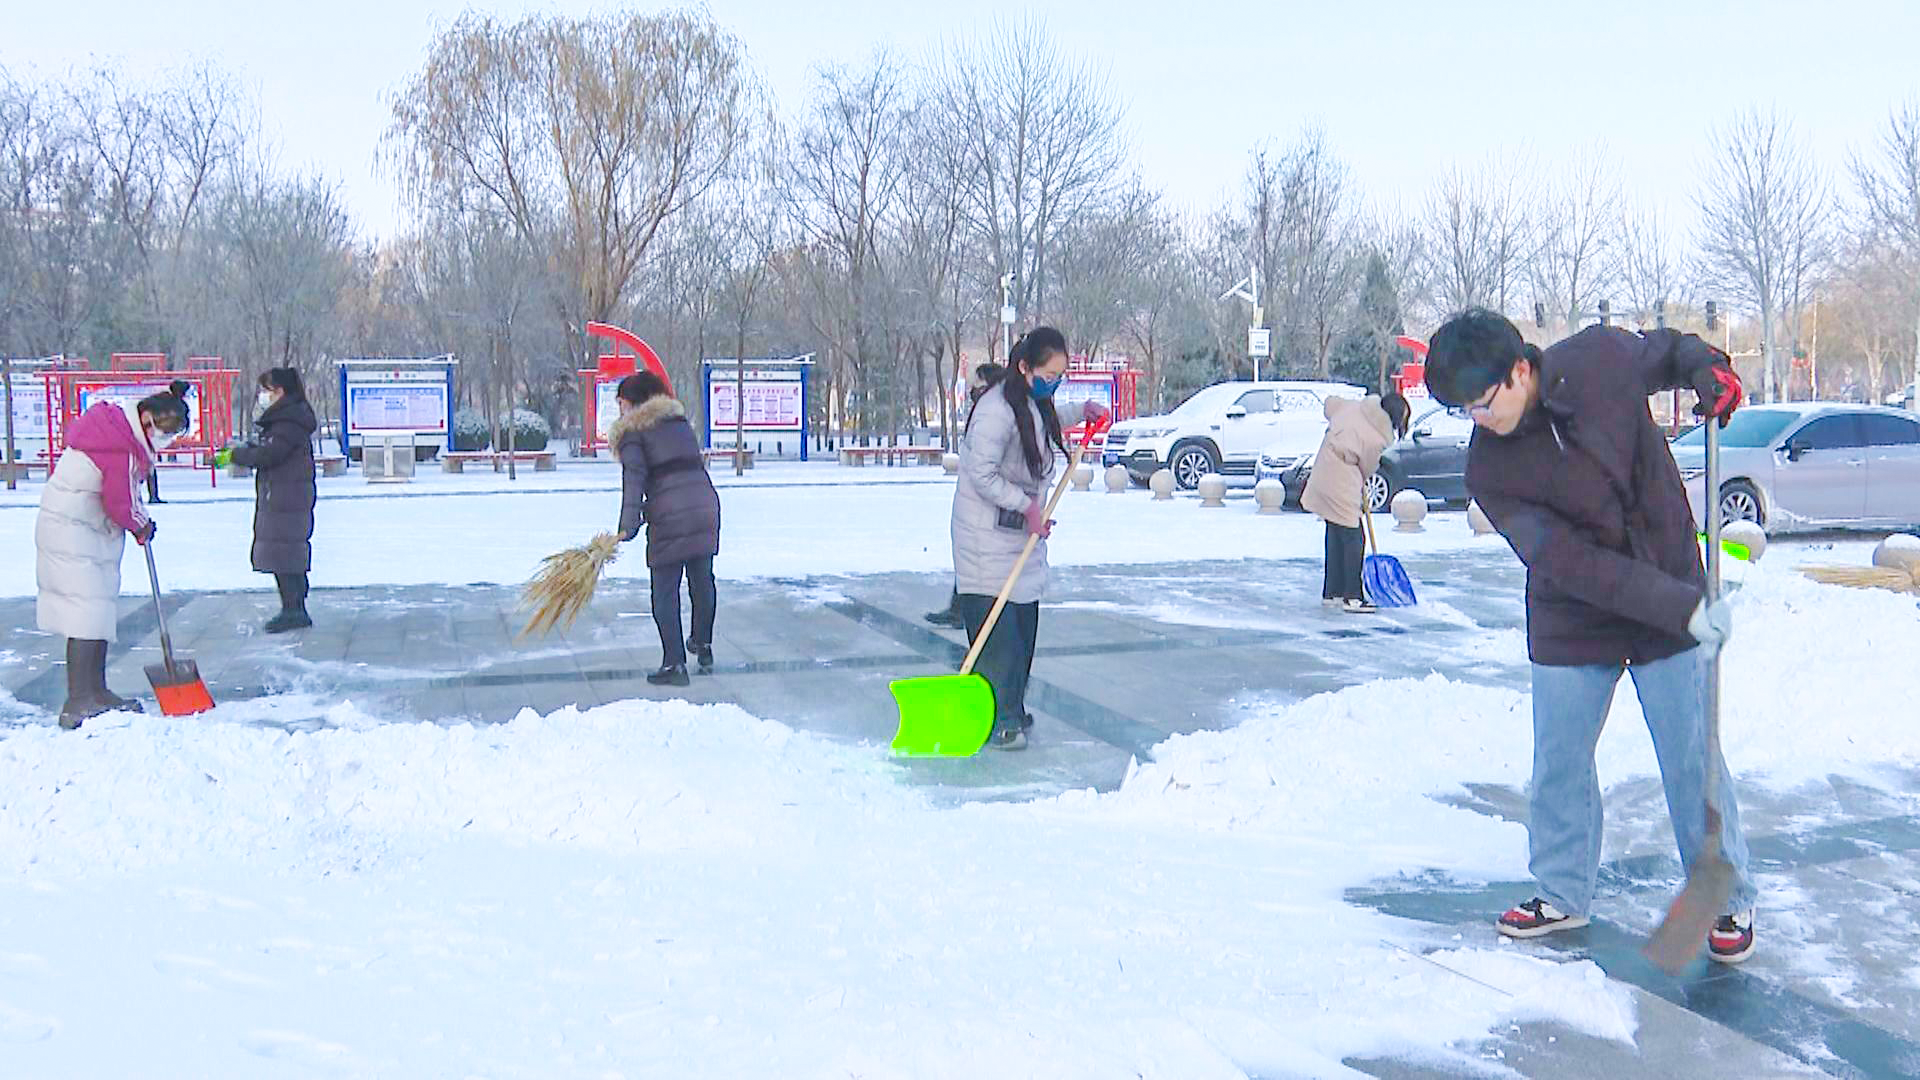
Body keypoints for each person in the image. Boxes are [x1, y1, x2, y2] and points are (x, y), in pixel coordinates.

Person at [1424, 307, 1758, 964]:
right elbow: (1570, 564)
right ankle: (1562, 890)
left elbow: (1671, 351)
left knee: (1692, 755)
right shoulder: (1489, 473)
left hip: (1665, 576)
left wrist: (1706, 369)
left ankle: (1726, 892)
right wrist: (1681, 607)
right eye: (1464, 409)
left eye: (1485, 401)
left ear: (1521, 368)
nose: (1479, 419)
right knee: (1560, 762)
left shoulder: (1602, 358)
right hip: (1574, 614)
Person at [951, 328, 1107, 751]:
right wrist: (1027, 506)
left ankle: (1012, 709)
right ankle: (998, 718)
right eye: (1049, 374)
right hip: (984, 537)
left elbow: (1043, 420)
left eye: (1062, 375)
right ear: (1024, 367)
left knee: (1022, 630)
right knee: (998, 639)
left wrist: (1081, 412)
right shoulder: (994, 411)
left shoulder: (1031, 399)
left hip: (1018, 535)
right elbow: (979, 473)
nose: (1055, 383)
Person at [36, 383, 190, 729]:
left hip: (84, 529)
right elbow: (119, 502)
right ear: (147, 418)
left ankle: (97, 691)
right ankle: (78, 700)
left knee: (97, 611)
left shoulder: (121, 432)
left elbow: (122, 496)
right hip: (72, 530)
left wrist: (139, 521)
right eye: (163, 434)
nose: (163, 442)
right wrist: (141, 525)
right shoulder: (118, 445)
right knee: (86, 612)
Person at [610, 371, 722, 687]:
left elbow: (634, 480)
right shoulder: (678, 423)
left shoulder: (633, 432)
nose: (619, 410)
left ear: (633, 403)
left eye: (621, 402)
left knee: (665, 591)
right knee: (702, 581)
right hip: (704, 506)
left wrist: (626, 528)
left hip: (671, 515)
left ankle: (674, 663)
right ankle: (702, 643)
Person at [217, 368, 319, 633]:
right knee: (286, 549)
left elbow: (270, 455)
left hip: (285, 497)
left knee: (283, 551)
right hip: (285, 495)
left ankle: (293, 609)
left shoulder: (287, 422)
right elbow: (270, 449)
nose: (264, 396)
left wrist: (237, 456)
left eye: (268, 390)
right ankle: (295, 605)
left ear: (281, 392)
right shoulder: (288, 419)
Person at [1302, 391, 1410, 614]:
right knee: (1353, 536)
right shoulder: (1378, 437)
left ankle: (1333, 592)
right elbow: (1368, 467)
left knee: (1335, 529)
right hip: (1342, 477)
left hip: (1323, 468)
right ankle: (1353, 596)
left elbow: (1330, 404)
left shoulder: (1353, 407)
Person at [925, 362, 1007, 630]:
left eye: (979, 385)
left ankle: (970, 612)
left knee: (981, 565)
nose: (974, 390)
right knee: (970, 561)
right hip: (972, 508)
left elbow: (988, 472)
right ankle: (960, 608)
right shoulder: (984, 413)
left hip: (989, 511)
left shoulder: (997, 416)